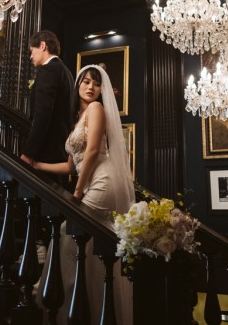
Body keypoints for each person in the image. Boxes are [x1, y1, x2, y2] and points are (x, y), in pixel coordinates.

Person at [33, 64, 135, 325]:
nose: (91, 87)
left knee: (68, 238)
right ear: (78, 85)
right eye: (86, 82)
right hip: (89, 181)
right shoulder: (77, 118)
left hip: (102, 181)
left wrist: (76, 193)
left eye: (96, 83)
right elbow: (70, 165)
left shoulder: (96, 109)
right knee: (88, 251)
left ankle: (65, 312)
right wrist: (35, 165)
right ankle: (86, 312)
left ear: (102, 90)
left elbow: (91, 153)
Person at [20, 30, 74, 184]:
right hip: (61, 151)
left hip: (47, 153)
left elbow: (42, 114)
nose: (30, 56)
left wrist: (29, 153)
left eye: (32, 51)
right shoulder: (66, 72)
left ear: (42, 45)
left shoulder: (48, 70)